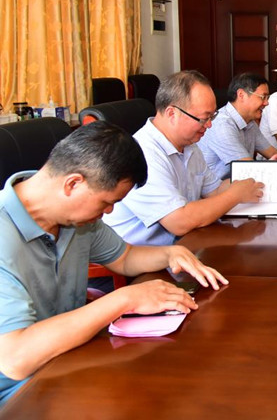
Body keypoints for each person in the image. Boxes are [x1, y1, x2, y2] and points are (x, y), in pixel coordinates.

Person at [0, 122, 227, 404]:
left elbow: (125, 257)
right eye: (106, 202)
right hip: (20, 393)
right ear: (73, 183)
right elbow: (15, 359)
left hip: (69, 358)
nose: (108, 212)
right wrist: (124, 299)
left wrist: (171, 254)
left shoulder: (75, 220)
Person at [104, 71, 265, 246]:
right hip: (145, 255)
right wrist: (235, 195)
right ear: (172, 113)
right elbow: (179, 221)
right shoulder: (143, 153)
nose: (209, 125)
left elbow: (215, 190)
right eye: (204, 118)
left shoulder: (189, 145)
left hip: (186, 245)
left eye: (212, 117)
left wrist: (255, 182)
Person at [198, 72, 277, 180]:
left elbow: (273, 153)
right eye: (263, 97)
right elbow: (248, 169)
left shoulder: (250, 122)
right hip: (218, 193)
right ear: (241, 95)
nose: (266, 103)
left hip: (241, 187)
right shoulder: (222, 125)